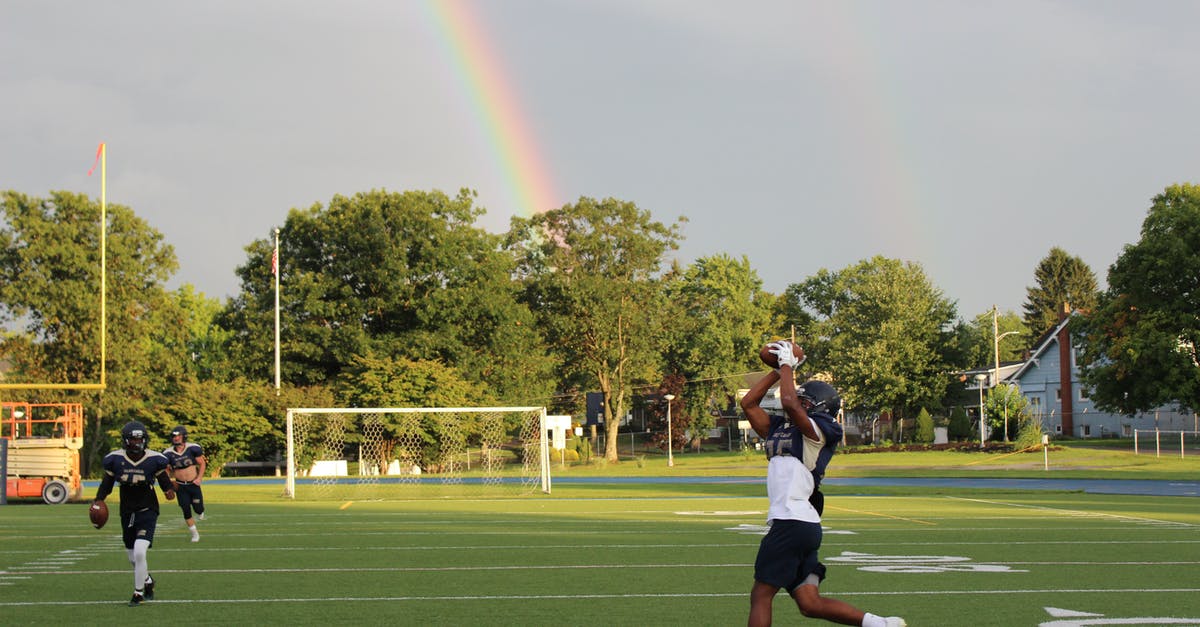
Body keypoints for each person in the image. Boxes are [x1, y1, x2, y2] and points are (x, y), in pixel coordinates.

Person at [740, 341, 905, 627]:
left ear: (820, 407)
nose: (798, 400)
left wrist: (788, 365)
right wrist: (778, 372)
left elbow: (790, 402)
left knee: (761, 595)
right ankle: (880, 624)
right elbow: (748, 403)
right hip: (802, 524)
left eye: (806, 400)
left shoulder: (822, 430)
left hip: (790, 521)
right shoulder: (780, 428)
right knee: (809, 603)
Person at [93, 421, 176, 607]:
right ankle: (148, 581)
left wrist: (170, 490)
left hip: (148, 509)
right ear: (126, 440)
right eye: (133, 439)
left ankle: (138, 594)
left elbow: (165, 484)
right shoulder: (114, 459)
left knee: (140, 551)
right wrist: (98, 500)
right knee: (133, 557)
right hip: (127, 511)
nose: (137, 443)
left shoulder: (156, 459)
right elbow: (106, 484)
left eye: (140, 439)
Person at [163, 425, 207, 542]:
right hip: (180, 485)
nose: (176, 438)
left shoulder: (193, 448)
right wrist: (168, 483)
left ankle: (200, 511)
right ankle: (195, 534)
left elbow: (202, 463)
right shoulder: (168, 453)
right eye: (174, 436)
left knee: (198, 509)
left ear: (184, 436)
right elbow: (166, 470)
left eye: (178, 436)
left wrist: (199, 478)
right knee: (185, 509)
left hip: (193, 484)